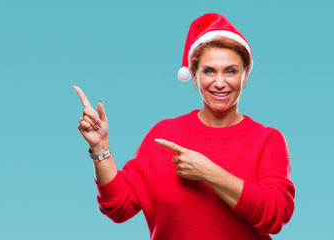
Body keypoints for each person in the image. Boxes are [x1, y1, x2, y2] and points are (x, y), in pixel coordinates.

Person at [74, 13, 295, 240]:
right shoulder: (164, 134)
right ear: (195, 77)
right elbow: (119, 207)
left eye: (231, 71)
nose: (220, 83)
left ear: (245, 75)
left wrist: (209, 172)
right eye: (209, 71)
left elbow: (276, 215)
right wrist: (100, 147)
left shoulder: (267, 139)